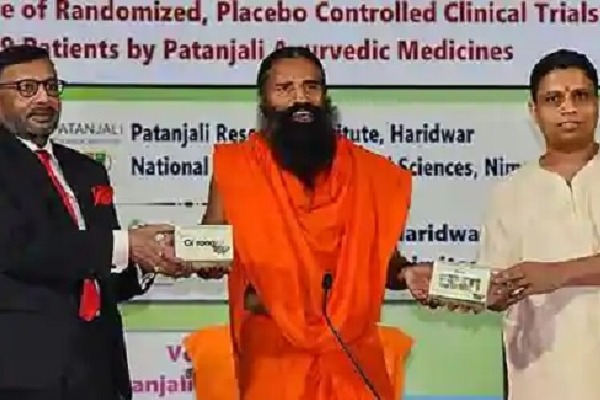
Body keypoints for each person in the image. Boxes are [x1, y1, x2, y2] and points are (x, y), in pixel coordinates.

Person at [200, 46, 431, 399]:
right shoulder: (238, 167)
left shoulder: (366, 173)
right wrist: (191, 255)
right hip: (274, 359)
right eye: (285, 89)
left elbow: (379, 261)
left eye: (311, 87)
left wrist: (407, 274)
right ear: (264, 102)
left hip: (350, 357)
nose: (300, 99)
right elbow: (210, 252)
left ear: (325, 96)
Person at [0, 45, 186, 400]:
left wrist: (148, 260)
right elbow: (20, 249)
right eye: (26, 88)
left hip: (97, 370)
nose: (44, 99)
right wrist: (127, 244)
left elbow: (97, 267)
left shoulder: (86, 170)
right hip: (21, 374)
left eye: (51, 86)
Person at [480, 49, 600, 399]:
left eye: (580, 96)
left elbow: (550, 275)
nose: (568, 108)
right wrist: (483, 293)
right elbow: (494, 282)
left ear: (597, 103)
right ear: (533, 111)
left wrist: (557, 273)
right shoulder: (509, 192)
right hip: (541, 380)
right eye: (553, 99)